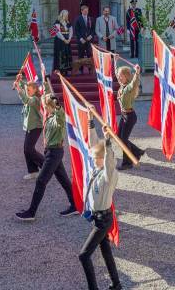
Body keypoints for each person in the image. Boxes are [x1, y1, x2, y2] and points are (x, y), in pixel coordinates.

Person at [15, 79, 76, 221]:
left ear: (51, 106)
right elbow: (46, 95)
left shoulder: (57, 118)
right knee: (64, 181)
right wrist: (47, 83)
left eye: (45, 105)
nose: (43, 107)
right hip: (50, 152)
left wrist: (54, 101)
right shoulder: (48, 116)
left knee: (41, 181)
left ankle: (31, 212)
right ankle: (75, 205)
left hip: (54, 153)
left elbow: (59, 110)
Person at [78, 113, 122, 290]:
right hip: (96, 217)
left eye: (97, 158)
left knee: (84, 255)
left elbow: (108, 159)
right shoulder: (98, 168)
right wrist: (90, 120)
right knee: (106, 252)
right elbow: (93, 145)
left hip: (103, 220)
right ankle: (116, 284)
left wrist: (108, 140)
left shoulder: (108, 175)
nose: (93, 159)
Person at [14, 74, 44, 180]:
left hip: (36, 127)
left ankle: (46, 166)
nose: (27, 91)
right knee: (27, 150)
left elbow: (26, 100)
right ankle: (33, 171)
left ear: (35, 90)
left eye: (29, 89)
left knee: (29, 149)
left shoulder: (35, 99)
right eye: (27, 89)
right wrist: (20, 81)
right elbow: (25, 95)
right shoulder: (30, 96)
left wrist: (18, 88)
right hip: (29, 127)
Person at [115, 65, 145, 171]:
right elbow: (116, 72)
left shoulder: (129, 88)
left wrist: (137, 72)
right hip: (124, 115)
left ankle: (127, 162)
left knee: (123, 140)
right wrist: (115, 61)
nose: (118, 78)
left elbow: (135, 83)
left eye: (121, 76)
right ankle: (137, 151)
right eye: (118, 76)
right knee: (119, 138)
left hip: (130, 116)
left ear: (126, 77)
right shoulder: (122, 85)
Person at [74, 4, 95, 74]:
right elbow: (76, 30)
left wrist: (91, 36)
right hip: (81, 41)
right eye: (85, 11)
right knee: (81, 55)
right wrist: (80, 38)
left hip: (89, 41)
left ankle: (90, 69)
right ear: (81, 11)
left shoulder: (91, 19)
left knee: (89, 55)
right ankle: (81, 69)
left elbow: (93, 29)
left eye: (87, 11)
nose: (86, 12)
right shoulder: (78, 19)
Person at [53, 10, 73, 76]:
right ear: (62, 14)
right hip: (60, 41)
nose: (67, 16)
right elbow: (57, 32)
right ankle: (61, 70)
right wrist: (64, 39)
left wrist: (69, 39)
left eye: (67, 14)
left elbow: (71, 31)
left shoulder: (68, 22)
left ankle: (66, 69)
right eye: (66, 14)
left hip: (67, 40)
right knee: (61, 55)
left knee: (67, 54)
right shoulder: (57, 22)